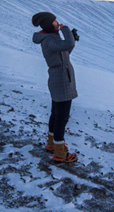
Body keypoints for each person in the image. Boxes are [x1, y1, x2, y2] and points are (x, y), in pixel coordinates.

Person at [32, 11, 79, 163]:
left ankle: (52, 144)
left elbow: (66, 51)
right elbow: (68, 44)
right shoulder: (49, 40)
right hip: (61, 81)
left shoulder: (51, 39)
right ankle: (60, 152)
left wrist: (71, 38)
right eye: (54, 21)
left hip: (61, 79)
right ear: (48, 24)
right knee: (62, 118)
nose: (57, 22)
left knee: (56, 114)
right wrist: (66, 30)